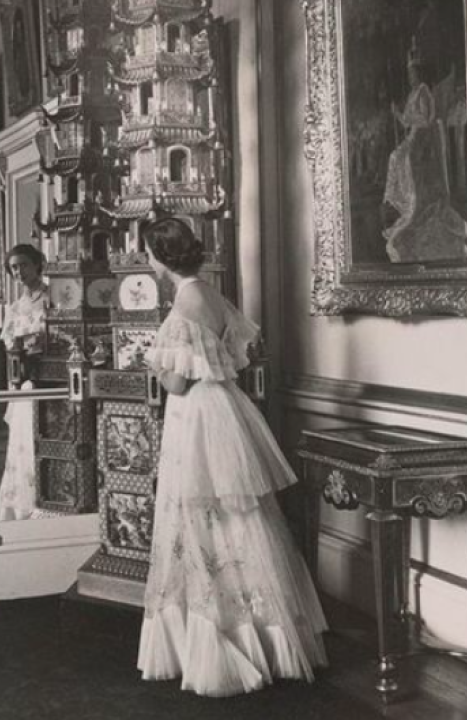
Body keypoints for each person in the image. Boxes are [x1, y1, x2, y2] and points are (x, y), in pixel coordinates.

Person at [137, 217, 328, 697]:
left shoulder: (185, 301)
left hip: (196, 416)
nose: (148, 259)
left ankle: (219, 636)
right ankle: (266, 634)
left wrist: (152, 362)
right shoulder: (212, 294)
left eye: (149, 252)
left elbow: (177, 382)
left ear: (161, 256)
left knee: (201, 517)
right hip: (223, 407)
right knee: (239, 518)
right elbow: (235, 356)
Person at [382, 48, 467, 263]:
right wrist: (397, 113)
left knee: (401, 158)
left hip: (422, 139)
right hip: (412, 136)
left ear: (419, 74)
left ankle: (413, 202)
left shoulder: (423, 92)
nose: (410, 78)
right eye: (409, 74)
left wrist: (409, 121)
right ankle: (400, 201)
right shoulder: (412, 94)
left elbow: (426, 119)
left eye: (413, 74)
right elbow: (406, 121)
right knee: (394, 157)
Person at [0, 243, 48, 521]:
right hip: (27, 380)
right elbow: (10, 350)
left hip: (51, 379)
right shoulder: (14, 309)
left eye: (24, 265)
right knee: (23, 442)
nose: (19, 272)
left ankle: (48, 497)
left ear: (37, 264)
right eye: (14, 267)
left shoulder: (53, 298)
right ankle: (23, 503)